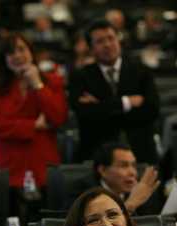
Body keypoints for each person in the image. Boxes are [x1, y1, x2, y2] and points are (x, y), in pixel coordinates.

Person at [0, 33, 68, 226]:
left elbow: (58, 117)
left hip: (43, 162)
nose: (17, 55)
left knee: (46, 223)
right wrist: (33, 125)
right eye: (10, 52)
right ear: (4, 59)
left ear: (31, 51)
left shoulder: (51, 81)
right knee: (10, 224)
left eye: (21, 49)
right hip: (9, 165)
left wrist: (37, 85)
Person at [68, 19, 160, 164]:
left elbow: (152, 110)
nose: (107, 45)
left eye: (111, 38)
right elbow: (85, 115)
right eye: (100, 41)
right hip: (98, 156)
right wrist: (127, 103)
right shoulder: (80, 77)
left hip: (141, 153)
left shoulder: (141, 71)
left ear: (118, 40)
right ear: (91, 49)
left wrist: (102, 106)